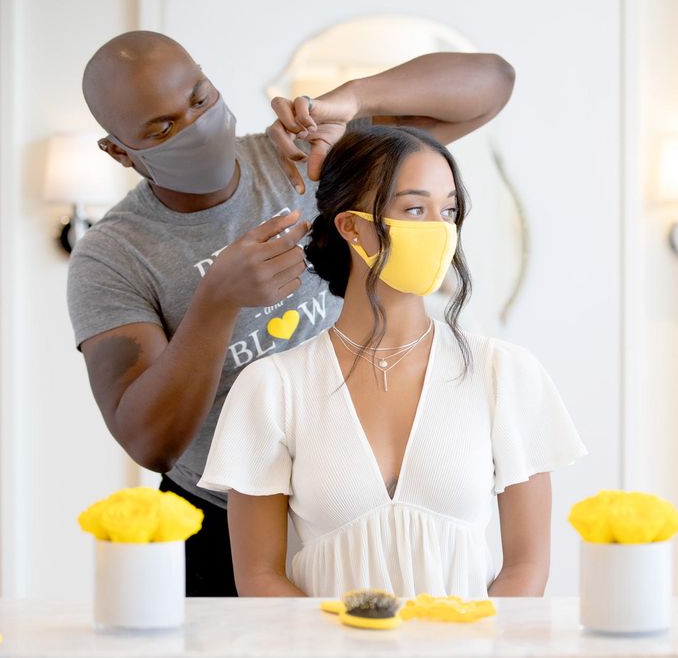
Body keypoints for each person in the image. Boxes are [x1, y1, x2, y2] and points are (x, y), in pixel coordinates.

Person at [67, 30, 515, 596]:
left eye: (200, 99)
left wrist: (350, 99)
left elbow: (492, 82)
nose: (195, 125)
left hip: (351, 501)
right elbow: (150, 442)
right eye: (163, 129)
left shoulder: (308, 158)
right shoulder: (112, 256)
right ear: (119, 152)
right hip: (219, 520)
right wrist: (216, 302)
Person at [198, 125, 587, 598]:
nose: (439, 230)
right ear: (351, 226)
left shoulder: (503, 373)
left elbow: (527, 566)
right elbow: (259, 577)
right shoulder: (273, 387)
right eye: (415, 209)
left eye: (448, 211)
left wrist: (470, 636)